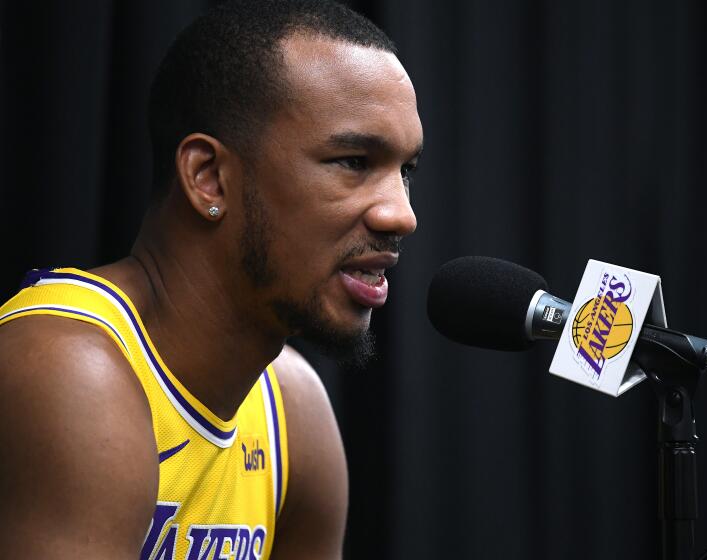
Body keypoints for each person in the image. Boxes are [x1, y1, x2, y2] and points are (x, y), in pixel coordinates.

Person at [0, 0, 422, 557]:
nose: (402, 215)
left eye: (406, 171)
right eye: (353, 161)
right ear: (208, 178)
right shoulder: (72, 371)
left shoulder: (291, 409)